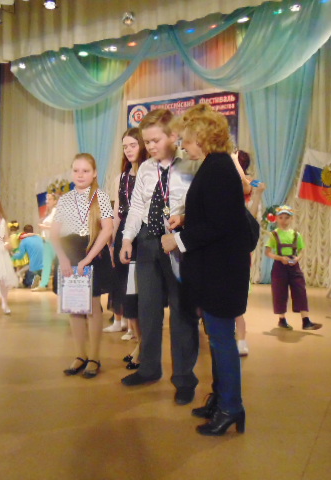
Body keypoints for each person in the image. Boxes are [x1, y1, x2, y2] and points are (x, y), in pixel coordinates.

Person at [161, 105, 251, 436]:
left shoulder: (218, 169)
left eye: (186, 139)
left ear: (202, 136)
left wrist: (177, 240)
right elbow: (216, 213)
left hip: (222, 270)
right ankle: (221, 399)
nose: (183, 145)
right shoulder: (215, 165)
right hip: (217, 268)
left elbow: (220, 224)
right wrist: (187, 218)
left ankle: (231, 407)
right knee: (216, 337)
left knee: (222, 339)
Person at [119, 109, 201, 405]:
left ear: (173, 136)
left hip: (176, 243)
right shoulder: (145, 168)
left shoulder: (190, 165)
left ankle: (184, 379)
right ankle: (149, 368)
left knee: (181, 312)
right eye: (147, 142)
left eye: (155, 140)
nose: (150, 146)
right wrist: (127, 238)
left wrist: (184, 219)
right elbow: (137, 207)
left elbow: (199, 206)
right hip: (147, 241)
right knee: (148, 308)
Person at [51, 153, 114, 379]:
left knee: (93, 308)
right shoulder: (64, 199)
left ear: (94, 173)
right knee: (74, 307)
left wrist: (88, 259)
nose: (80, 175)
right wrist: (63, 258)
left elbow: (107, 229)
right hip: (69, 254)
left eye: (85, 171)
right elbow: (54, 234)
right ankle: (80, 355)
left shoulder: (101, 197)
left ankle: (94, 357)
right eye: (76, 170)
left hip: (92, 253)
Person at [106, 128, 147, 370]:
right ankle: (140, 343)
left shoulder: (150, 173)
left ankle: (144, 347)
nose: (129, 150)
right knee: (129, 297)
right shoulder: (121, 178)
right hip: (125, 237)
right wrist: (113, 241)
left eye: (133, 145)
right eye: (125, 146)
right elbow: (118, 212)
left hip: (144, 236)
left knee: (141, 295)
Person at [264, 205, 322, 331]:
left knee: (300, 290)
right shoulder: (274, 235)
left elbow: (301, 250)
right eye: (281, 217)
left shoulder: (296, 234)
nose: (284, 220)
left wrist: (297, 259)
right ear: (276, 219)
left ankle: (306, 321)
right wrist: (280, 258)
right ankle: (282, 319)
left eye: (286, 218)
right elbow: (268, 252)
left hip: (294, 266)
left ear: (291, 219)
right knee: (280, 292)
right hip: (279, 266)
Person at [234, 149, 267, 357]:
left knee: (237, 299)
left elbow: (251, 220)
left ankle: (241, 339)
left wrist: (257, 194)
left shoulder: (250, 187)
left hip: (239, 249)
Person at [33, 193, 59, 292]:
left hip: (55, 240)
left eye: (50, 199)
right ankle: (43, 284)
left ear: (55, 201)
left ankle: (54, 283)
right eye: (47, 199)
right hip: (48, 240)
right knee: (46, 263)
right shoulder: (50, 212)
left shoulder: (57, 211)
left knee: (56, 263)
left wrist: (44, 227)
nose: (47, 201)